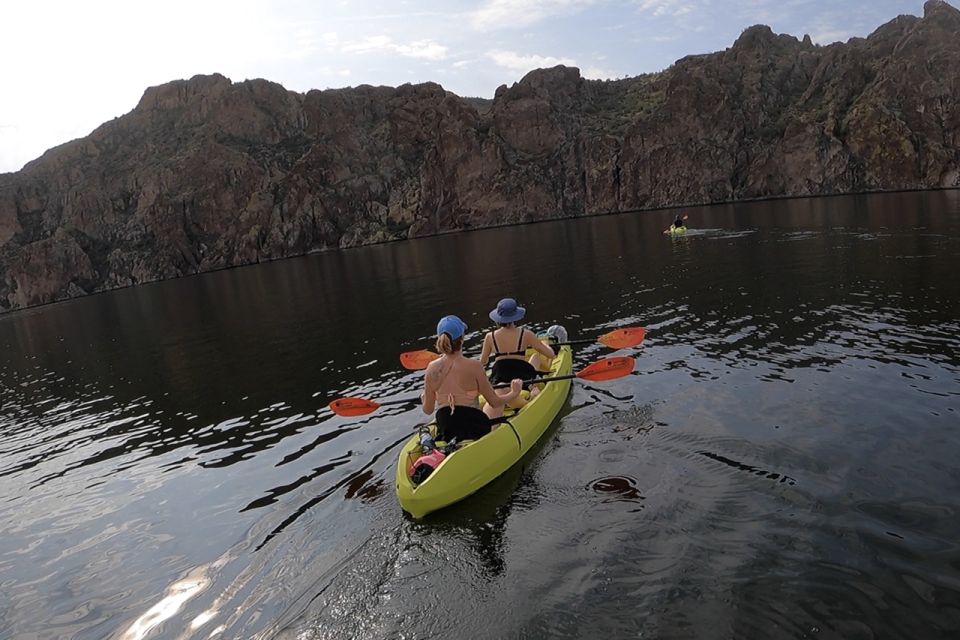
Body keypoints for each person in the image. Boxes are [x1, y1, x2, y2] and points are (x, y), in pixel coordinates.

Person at [422, 315, 524, 442]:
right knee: (500, 394)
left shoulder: (431, 368)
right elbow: (495, 402)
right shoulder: (474, 366)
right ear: (462, 338)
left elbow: (427, 410)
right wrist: (514, 392)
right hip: (474, 429)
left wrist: (424, 399)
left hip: (447, 428)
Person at [480, 298, 556, 386]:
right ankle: (533, 388)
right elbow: (550, 354)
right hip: (521, 376)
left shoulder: (490, 336)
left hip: (499, 375)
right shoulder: (526, 334)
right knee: (536, 357)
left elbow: (483, 362)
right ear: (515, 317)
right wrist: (546, 344)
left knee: (534, 357)